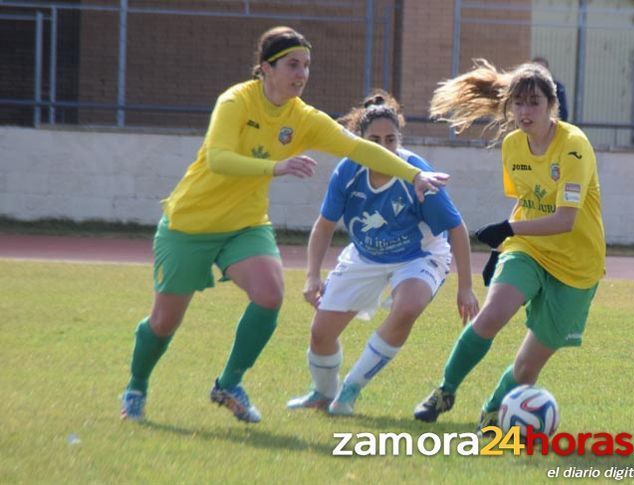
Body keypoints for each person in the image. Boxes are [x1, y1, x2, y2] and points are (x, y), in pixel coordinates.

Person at [119, 26, 449, 423]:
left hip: (245, 226)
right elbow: (217, 159)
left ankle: (229, 383)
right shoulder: (236, 101)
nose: (302, 73)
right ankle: (136, 386)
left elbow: (359, 147)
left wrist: (412, 175)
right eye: (293, 64)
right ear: (266, 69)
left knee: (270, 294)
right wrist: (277, 166)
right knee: (164, 321)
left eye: (307, 65)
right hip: (189, 224)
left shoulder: (303, 118)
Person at [413, 59, 605, 433]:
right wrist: (505, 246)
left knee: (527, 367)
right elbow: (527, 200)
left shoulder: (574, 147)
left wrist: (506, 228)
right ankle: (443, 392)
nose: (524, 111)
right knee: (490, 316)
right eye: (517, 103)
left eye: (533, 102)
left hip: (578, 267)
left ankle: (491, 411)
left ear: (552, 106)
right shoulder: (514, 145)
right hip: (530, 249)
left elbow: (566, 220)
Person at [286, 90, 479, 416]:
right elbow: (323, 226)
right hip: (365, 255)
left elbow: (457, 229)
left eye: (390, 139)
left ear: (398, 140)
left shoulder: (417, 173)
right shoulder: (348, 172)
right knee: (321, 334)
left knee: (408, 305)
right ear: (359, 141)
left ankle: (349, 391)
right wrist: (311, 276)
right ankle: (322, 393)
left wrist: (465, 287)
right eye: (373, 140)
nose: (383, 147)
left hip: (419, 255)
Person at [532, 57, 568, 122]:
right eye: (536, 70)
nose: (539, 73)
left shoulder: (557, 87)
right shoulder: (525, 88)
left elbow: (563, 112)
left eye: (542, 69)